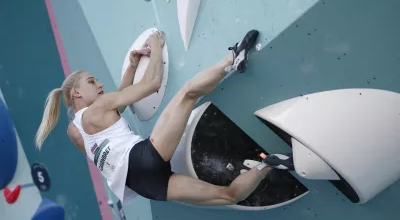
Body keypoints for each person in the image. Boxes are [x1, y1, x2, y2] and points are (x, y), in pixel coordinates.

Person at [35, 29, 274, 206]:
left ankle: (270, 164)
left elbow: (115, 104)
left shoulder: (76, 132)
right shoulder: (99, 108)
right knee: (188, 94)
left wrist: (131, 66)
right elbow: (151, 84)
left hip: (145, 185)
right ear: (76, 93)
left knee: (228, 195)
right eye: (91, 81)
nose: (99, 85)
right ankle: (233, 59)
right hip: (142, 158)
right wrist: (157, 45)